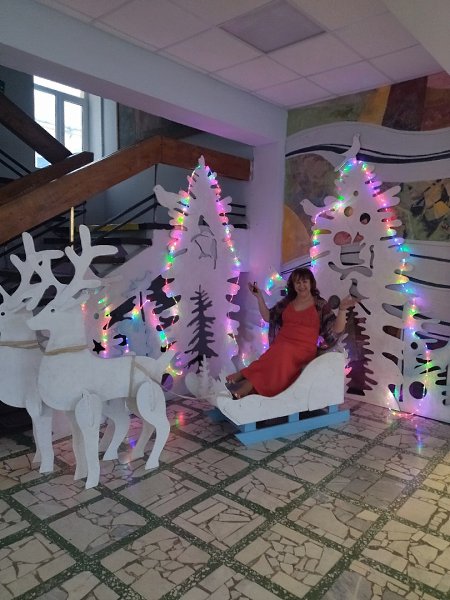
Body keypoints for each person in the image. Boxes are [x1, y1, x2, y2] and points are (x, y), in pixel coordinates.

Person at [227, 268, 355, 399]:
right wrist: (259, 297)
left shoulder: (320, 304)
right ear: (293, 285)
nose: (301, 285)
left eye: (304, 282)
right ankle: (246, 385)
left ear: (311, 283)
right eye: (297, 282)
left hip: (303, 350)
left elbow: (336, 329)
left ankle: (245, 380)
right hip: (281, 345)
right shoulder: (287, 303)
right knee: (275, 354)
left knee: (282, 352)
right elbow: (268, 317)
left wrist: (342, 310)